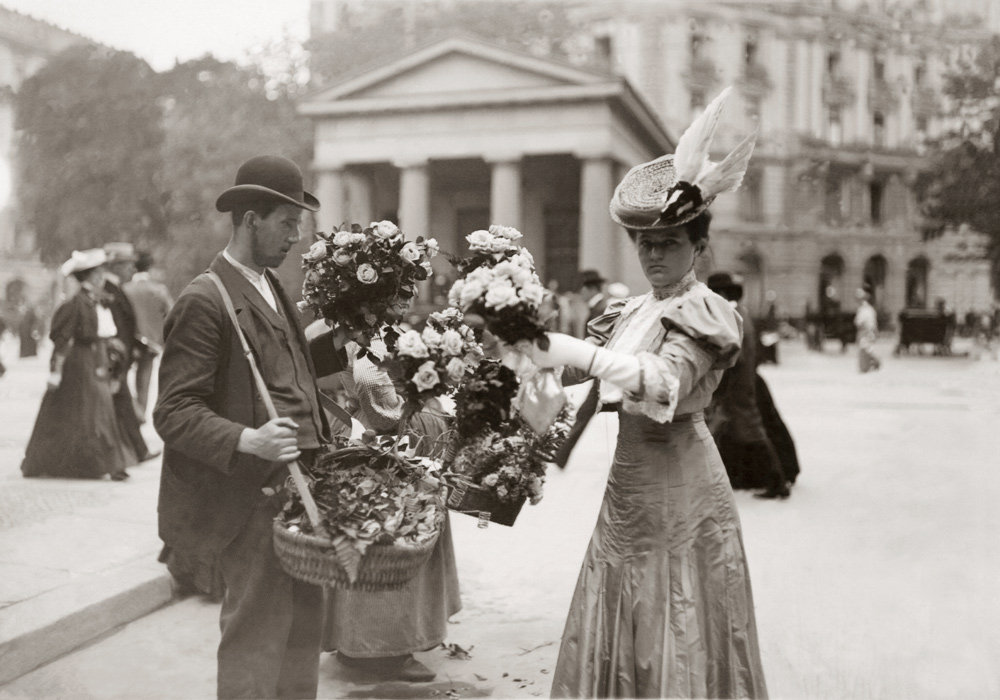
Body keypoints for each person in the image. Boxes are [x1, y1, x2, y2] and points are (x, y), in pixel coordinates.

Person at [521, 86, 767, 698]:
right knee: (621, 587)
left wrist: (577, 350)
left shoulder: (708, 310)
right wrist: (517, 354)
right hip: (628, 479)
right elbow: (576, 377)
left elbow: (664, 381)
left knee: (674, 604)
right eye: (645, 244)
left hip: (680, 477)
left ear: (699, 247)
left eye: (670, 245)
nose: (654, 256)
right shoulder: (628, 309)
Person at [153, 155, 347, 700]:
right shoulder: (204, 300)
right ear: (249, 219)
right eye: (287, 223)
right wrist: (247, 438)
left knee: (303, 631)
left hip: (303, 489)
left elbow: (285, 370)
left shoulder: (270, 286)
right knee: (257, 636)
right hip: (252, 497)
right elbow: (172, 410)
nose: (296, 237)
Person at [322, 298, 461, 683]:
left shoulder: (373, 336)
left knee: (372, 538)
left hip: (379, 442)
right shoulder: (365, 346)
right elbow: (382, 411)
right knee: (390, 537)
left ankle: (358, 640)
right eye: (399, 293)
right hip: (382, 451)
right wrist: (429, 402)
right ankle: (383, 649)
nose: (407, 301)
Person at [21, 249, 132, 480]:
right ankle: (102, 465)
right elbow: (62, 341)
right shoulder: (75, 304)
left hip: (94, 361)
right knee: (86, 412)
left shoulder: (94, 302)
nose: (103, 277)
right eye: (100, 273)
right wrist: (56, 372)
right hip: (78, 365)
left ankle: (103, 464)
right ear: (91, 277)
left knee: (95, 412)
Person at [705, 272, 790, 499]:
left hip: (737, 384)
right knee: (737, 429)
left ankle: (777, 482)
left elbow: (736, 356)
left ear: (722, 293)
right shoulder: (739, 313)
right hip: (742, 381)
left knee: (749, 430)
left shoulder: (731, 315)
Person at [103, 242, 158, 462]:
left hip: (122, 358)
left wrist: (141, 345)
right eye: (127, 265)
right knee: (122, 405)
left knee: (122, 406)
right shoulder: (109, 291)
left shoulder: (116, 290)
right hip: (116, 360)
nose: (132, 270)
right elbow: (114, 329)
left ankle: (134, 450)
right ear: (115, 266)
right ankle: (136, 450)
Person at [123, 250, 174, 421]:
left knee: (121, 379)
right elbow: (172, 316)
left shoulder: (124, 290)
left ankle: (130, 412)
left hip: (127, 343)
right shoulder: (159, 290)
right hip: (151, 344)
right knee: (143, 382)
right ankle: (140, 415)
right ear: (150, 267)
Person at [854, 284, 881, 373]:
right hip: (869, 330)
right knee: (866, 348)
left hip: (865, 330)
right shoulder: (870, 309)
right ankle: (867, 365)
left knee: (865, 348)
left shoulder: (864, 310)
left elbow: (859, 322)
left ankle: (869, 364)